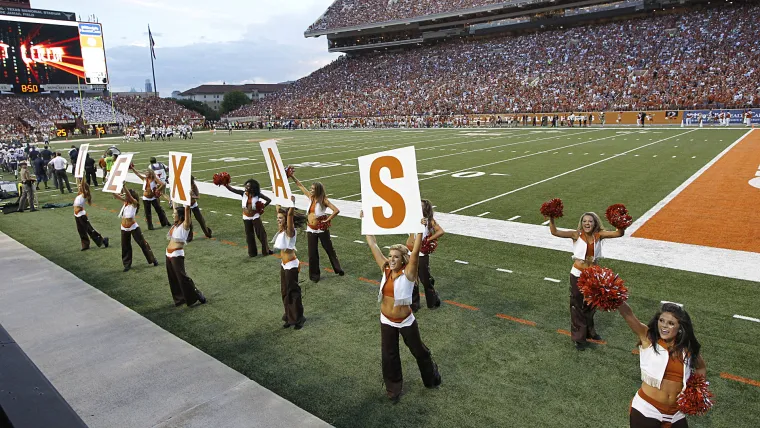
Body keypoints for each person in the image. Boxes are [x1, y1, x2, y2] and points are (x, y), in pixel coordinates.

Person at [365, 226, 441, 403]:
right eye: (390, 256)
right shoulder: (385, 269)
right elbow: (373, 244)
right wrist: (366, 221)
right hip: (386, 320)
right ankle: (393, 390)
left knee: (419, 351)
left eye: (395, 257)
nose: (391, 259)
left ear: (403, 259)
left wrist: (420, 230)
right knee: (389, 355)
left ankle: (431, 378)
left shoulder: (409, 273)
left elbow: (415, 253)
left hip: (405, 321)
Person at [618, 302, 706, 427]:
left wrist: (696, 389)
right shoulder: (648, 338)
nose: (664, 326)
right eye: (661, 320)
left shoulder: (687, 349)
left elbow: (701, 368)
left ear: (680, 327)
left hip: (677, 413)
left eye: (671, 323)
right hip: (647, 409)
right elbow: (628, 314)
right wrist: (616, 299)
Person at [549, 212, 624, 350]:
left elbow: (619, 233)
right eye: (584, 221)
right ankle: (579, 338)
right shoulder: (575, 235)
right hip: (577, 274)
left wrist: (620, 221)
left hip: (593, 275)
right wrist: (551, 217)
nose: (587, 224)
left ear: (595, 223)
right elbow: (554, 232)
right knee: (577, 305)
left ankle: (590, 331)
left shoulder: (599, 235)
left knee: (591, 305)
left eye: (590, 221)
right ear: (581, 223)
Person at [291, 175, 344, 282]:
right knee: (312, 253)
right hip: (310, 229)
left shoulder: (323, 200)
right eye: (310, 189)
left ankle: (338, 269)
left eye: (313, 189)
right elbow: (300, 186)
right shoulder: (311, 198)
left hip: (321, 229)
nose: (310, 190)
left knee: (329, 249)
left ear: (318, 190)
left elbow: (336, 210)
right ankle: (314, 276)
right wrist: (292, 176)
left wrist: (327, 219)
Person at [164, 197, 207, 307]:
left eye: (175, 214)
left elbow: (187, 210)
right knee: (172, 278)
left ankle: (196, 294)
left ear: (181, 216)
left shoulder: (185, 225)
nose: (173, 215)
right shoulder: (176, 224)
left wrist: (187, 202)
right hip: (168, 253)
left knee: (182, 277)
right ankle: (179, 299)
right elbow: (174, 204)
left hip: (176, 254)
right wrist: (174, 196)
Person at [274, 196, 307, 329]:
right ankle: (289, 316)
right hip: (284, 265)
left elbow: (289, 216)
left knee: (293, 292)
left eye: (281, 218)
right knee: (284, 292)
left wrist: (291, 205)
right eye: (277, 218)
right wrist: (277, 195)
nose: (278, 219)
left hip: (291, 266)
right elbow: (278, 209)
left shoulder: (290, 231)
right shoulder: (282, 230)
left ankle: (299, 318)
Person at [407, 199, 443, 311]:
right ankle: (414, 305)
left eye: (421, 206)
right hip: (410, 253)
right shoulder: (410, 218)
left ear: (425, 208)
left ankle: (432, 301)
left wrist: (428, 239)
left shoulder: (429, 220)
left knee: (424, 279)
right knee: (412, 278)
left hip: (422, 254)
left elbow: (440, 231)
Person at [113, 185, 159, 272]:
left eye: (127, 195)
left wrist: (124, 186)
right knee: (125, 246)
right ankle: (127, 264)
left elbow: (129, 196)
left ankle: (153, 259)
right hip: (124, 228)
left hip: (133, 227)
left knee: (143, 244)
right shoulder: (125, 202)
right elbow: (115, 196)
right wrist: (111, 188)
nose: (125, 196)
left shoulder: (134, 203)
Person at [224, 179, 272, 257]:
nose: (246, 187)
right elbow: (232, 190)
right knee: (249, 235)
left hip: (255, 216)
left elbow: (269, 200)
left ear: (253, 187)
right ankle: (252, 253)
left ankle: (266, 251)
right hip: (246, 217)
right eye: (246, 185)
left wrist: (262, 207)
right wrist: (225, 184)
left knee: (262, 234)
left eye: (248, 186)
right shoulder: (243, 193)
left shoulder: (258, 195)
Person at [73, 181, 109, 251]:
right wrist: (79, 178)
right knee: (80, 230)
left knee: (90, 230)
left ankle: (103, 241)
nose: (79, 187)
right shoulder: (79, 194)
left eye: (81, 186)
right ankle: (85, 244)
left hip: (81, 216)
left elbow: (83, 188)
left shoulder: (85, 194)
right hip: (76, 215)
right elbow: (77, 182)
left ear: (84, 188)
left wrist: (83, 179)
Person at [186, 176, 212, 242]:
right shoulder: (183, 185)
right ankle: (189, 236)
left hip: (194, 205)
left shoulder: (194, 186)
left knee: (200, 219)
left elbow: (198, 196)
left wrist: (192, 196)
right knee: (189, 222)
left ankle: (207, 232)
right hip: (186, 206)